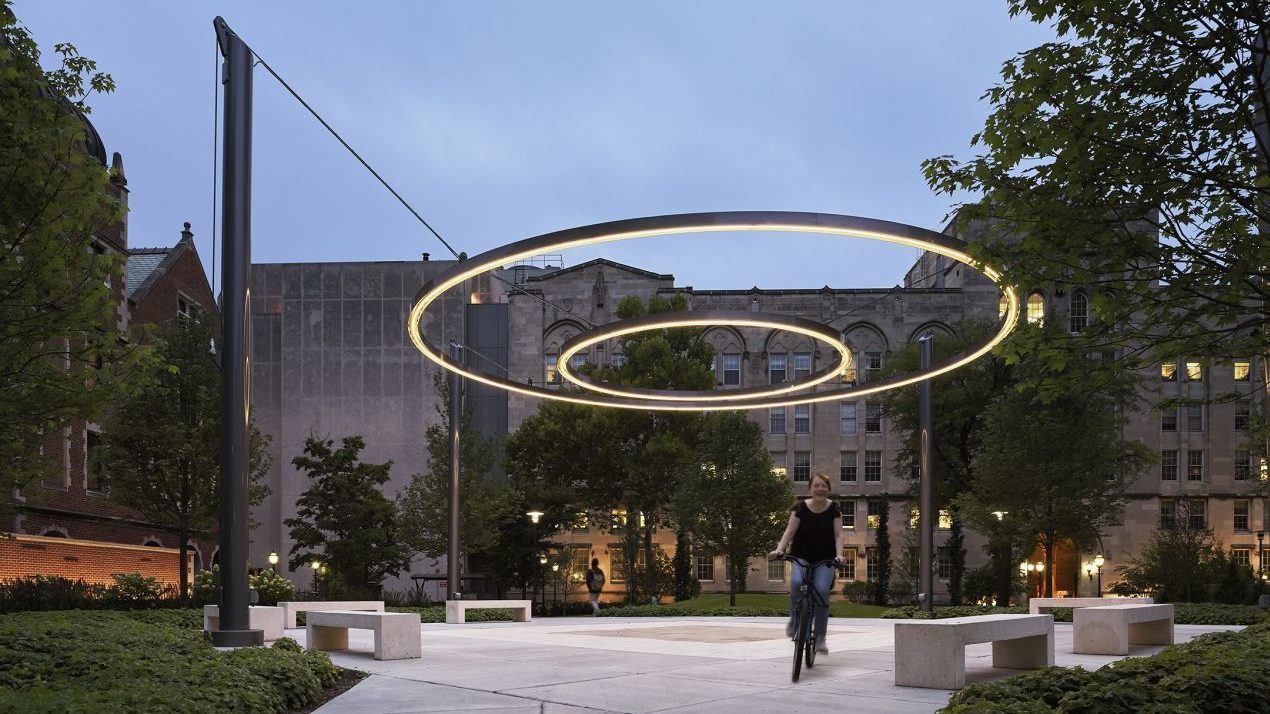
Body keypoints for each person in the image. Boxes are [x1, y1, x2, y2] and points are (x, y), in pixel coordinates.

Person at [769, 472, 844, 654]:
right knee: (796, 583)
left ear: (828, 489)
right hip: (801, 556)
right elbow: (789, 531)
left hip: (825, 558)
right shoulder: (800, 508)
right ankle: (795, 622)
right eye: (816, 485)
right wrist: (780, 549)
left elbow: (838, 535)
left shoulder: (834, 509)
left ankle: (820, 638)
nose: (820, 489)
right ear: (810, 488)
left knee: (821, 592)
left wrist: (840, 555)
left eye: (823, 486)